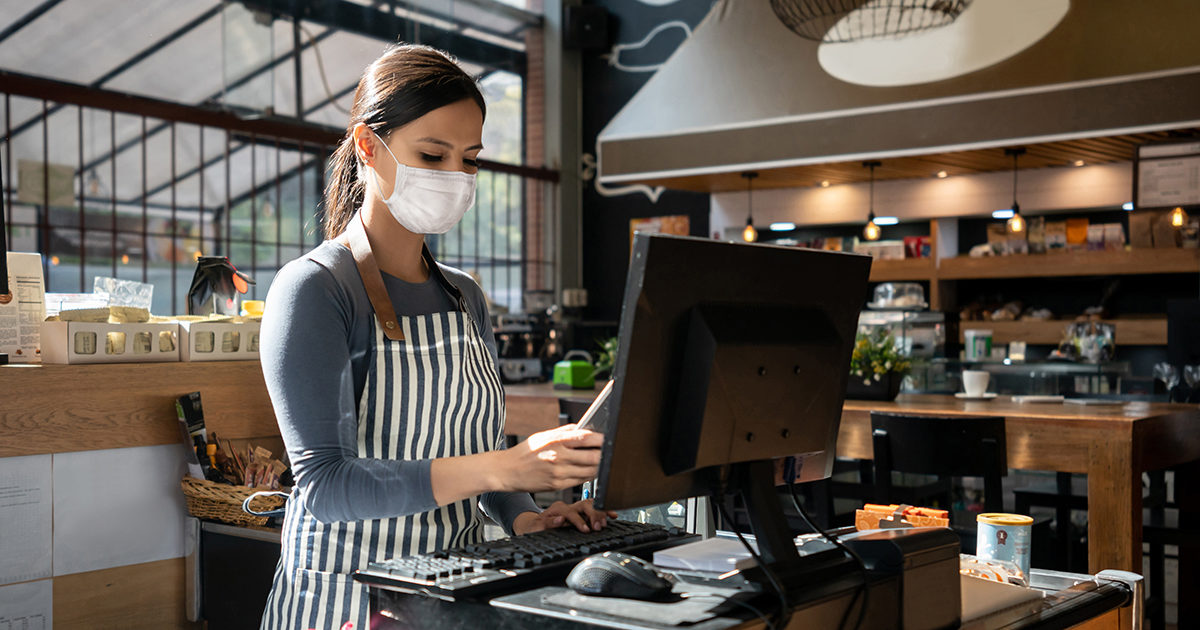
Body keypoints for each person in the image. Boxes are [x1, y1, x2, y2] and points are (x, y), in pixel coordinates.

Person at [259, 44, 612, 630]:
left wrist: (523, 517)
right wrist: (505, 468)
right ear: (369, 147)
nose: (455, 177)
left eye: (470, 160)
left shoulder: (464, 296)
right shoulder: (315, 289)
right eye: (432, 154)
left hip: (450, 594)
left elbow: (479, 449)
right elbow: (326, 484)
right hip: (346, 598)